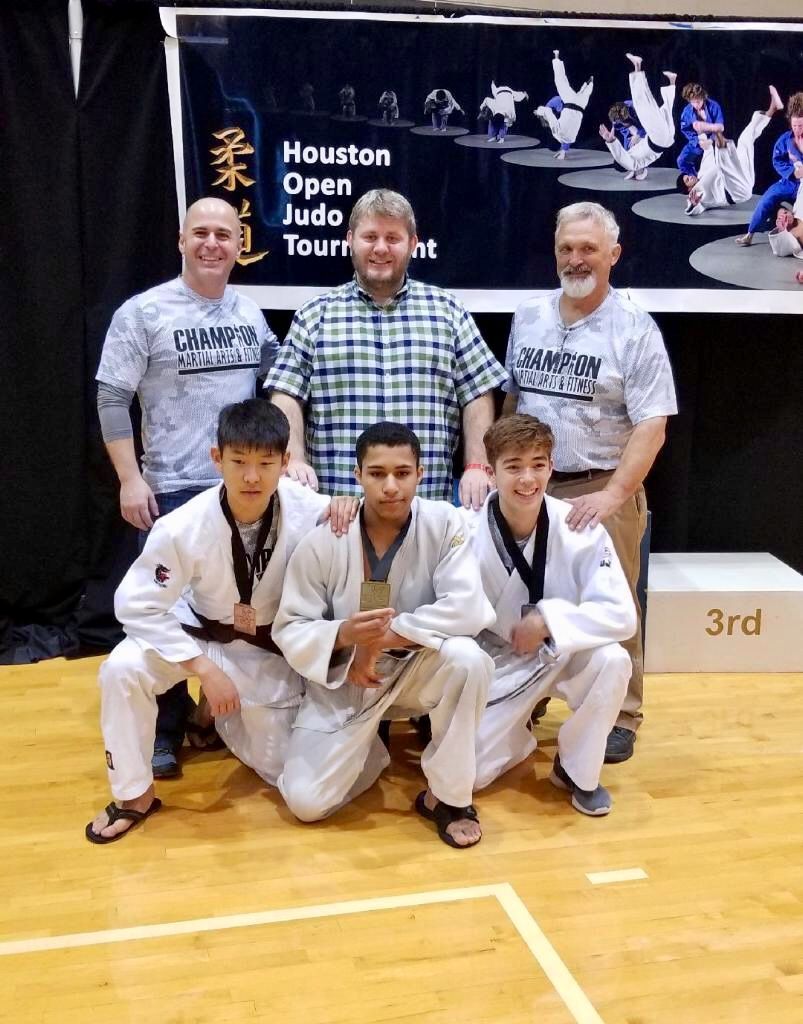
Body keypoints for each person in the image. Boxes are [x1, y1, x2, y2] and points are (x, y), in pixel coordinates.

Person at [84, 400, 357, 844]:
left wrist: (348, 504)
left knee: (285, 773)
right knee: (121, 669)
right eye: (239, 462)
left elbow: (352, 516)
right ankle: (133, 795)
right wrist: (203, 670)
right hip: (199, 638)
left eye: (266, 463)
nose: (252, 476)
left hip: (262, 647)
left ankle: (213, 718)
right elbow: (135, 605)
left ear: (285, 462)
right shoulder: (181, 526)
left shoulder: (309, 507)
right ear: (217, 459)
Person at [96, 196, 279, 779]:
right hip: (173, 489)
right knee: (168, 615)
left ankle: (215, 720)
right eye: (200, 233)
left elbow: (279, 384)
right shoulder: (143, 313)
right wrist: (129, 477)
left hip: (242, 488)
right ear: (180, 240)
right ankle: (163, 734)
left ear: (237, 245)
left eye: (224, 234)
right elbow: (110, 398)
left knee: (236, 611)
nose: (211, 244)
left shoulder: (250, 315)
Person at [501, 202, 677, 765]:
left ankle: (621, 713)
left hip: (602, 486)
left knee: (613, 601)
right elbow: (513, 401)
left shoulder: (634, 328)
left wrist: (613, 495)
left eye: (588, 250)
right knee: (526, 597)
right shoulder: (529, 315)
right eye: (567, 249)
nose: (576, 259)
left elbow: (653, 422)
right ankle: (526, 697)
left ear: (613, 256)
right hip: (533, 488)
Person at [272, 423, 495, 848]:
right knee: (305, 804)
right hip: (347, 681)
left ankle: (447, 799)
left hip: (415, 668)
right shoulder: (327, 538)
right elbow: (291, 626)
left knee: (469, 658)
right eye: (376, 474)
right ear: (356, 476)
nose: (390, 486)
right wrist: (342, 636)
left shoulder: (446, 524)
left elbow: (469, 607)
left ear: (421, 473)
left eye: (402, 473)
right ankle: (370, 750)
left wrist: (382, 638)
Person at [265, 189, 505, 509]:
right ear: (350, 240)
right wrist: (292, 458)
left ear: (412, 244)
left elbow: (477, 392)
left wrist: (477, 464)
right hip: (338, 508)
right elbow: (285, 393)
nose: (380, 248)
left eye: (393, 238)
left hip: (427, 509)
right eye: (370, 237)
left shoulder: (448, 312)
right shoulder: (315, 315)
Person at [465, 415, 635, 814]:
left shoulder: (579, 525)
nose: (528, 479)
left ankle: (576, 770)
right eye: (514, 467)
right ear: (491, 473)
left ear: (551, 467)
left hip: (558, 651)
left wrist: (549, 620)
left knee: (613, 658)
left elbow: (622, 616)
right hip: (497, 660)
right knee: (465, 774)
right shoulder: (466, 527)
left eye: (538, 465)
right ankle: (516, 734)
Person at [681, 87, 784, 216]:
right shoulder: (694, 194)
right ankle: (716, 129)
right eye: (687, 180)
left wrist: (701, 133)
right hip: (735, 192)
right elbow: (691, 210)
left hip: (742, 180)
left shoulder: (702, 173)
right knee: (723, 161)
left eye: (687, 175)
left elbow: (707, 151)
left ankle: (772, 108)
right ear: (688, 189)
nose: (690, 176)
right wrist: (693, 204)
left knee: (744, 141)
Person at [735, 92, 803, 246]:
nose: (797, 129)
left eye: (801, 125)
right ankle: (750, 234)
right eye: (795, 125)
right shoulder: (786, 139)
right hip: (790, 181)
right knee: (766, 199)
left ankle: (797, 239)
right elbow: (777, 160)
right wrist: (792, 172)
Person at [600, 55, 676, 180]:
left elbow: (623, 153)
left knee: (666, 109)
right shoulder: (629, 162)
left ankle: (672, 80)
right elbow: (620, 156)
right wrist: (610, 141)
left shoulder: (632, 159)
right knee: (643, 103)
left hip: (664, 140)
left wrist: (613, 139)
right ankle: (637, 65)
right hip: (658, 138)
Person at [534, 51, 593, 160]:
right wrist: (538, 110)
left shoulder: (571, 139)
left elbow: (566, 142)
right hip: (569, 102)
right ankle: (556, 57)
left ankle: (591, 82)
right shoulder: (556, 132)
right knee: (560, 82)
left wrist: (563, 152)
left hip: (581, 105)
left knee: (585, 92)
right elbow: (547, 111)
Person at [676, 82, 725, 178]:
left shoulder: (714, 106)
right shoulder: (687, 111)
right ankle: (696, 181)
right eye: (692, 102)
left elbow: (720, 127)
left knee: (715, 168)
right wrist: (697, 141)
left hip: (715, 140)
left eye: (698, 101)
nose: (696, 104)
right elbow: (685, 129)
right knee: (681, 161)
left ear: (703, 97)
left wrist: (711, 140)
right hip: (698, 142)